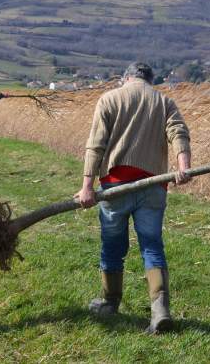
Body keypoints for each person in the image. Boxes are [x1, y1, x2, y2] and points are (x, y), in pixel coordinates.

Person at [76, 62, 191, 334]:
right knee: (152, 246)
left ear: (126, 78)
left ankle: (109, 301)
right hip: (153, 186)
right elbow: (179, 133)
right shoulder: (164, 102)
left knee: (112, 245)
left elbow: (96, 146)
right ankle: (160, 310)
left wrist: (87, 187)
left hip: (115, 187)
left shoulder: (109, 99)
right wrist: (183, 168)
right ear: (150, 81)